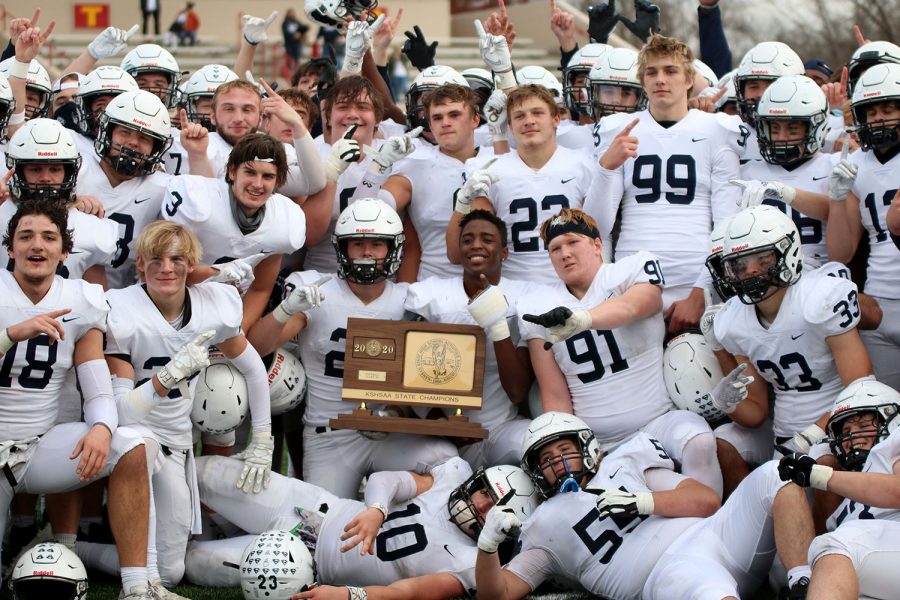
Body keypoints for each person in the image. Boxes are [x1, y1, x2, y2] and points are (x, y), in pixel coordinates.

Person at [75, 221, 274, 589]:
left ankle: (84, 551)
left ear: (191, 265)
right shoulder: (119, 310)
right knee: (148, 567)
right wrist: (164, 380)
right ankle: (72, 550)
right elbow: (119, 411)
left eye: (176, 259)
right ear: (140, 265)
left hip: (177, 443)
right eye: (156, 259)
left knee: (169, 573)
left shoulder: (215, 306)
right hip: (132, 442)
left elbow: (252, 369)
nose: (166, 268)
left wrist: (262, 439)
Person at [246, 199, 457, 498]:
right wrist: (285, 310)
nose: (367, 252)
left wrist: (395, 413)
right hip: (330, 435)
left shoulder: (409, 300)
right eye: (357, 243)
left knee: (451, 463)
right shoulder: (316, 290)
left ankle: (390, 513)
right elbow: (258, 346)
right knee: (319, 523)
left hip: (389, 433)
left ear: (392, 250)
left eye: (376, 244)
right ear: (342, 249)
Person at [0, 199, 153, 599]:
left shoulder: (82, 298)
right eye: (26, 236)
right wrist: (11, 335)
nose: (38, 245)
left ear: (64, 251)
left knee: (130, 445)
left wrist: (102, 428)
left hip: (36, 448)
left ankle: (137, 587)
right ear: (10, 247)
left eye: (49, 237)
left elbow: (97, 383)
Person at [517, 208, 724, 494]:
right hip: (597, 440)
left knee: (699, 440)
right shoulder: (537, 305)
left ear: (597, 244)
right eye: (555, 248)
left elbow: (639, 304)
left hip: (659, 420)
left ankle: (710, 527)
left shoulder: (631, 269)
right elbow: (554, 394)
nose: (564, 253)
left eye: (573, 242)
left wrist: (584, 319)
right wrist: (574, 448)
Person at [185, 456, 537, 600]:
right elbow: (390, 480)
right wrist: (377, 510)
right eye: (483, 493)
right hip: (315, 508)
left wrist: (348, 595)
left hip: (302, 564)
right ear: (474, 482)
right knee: (205, 472)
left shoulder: (468, 562)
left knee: (190, 562)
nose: (480, 506)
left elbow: (408, 592)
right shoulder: (451, 478)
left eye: (494, 508)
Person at [710, 206, 873, 497]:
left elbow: (862, 389)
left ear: (788, 253)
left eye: (762, 260)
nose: (751, 273)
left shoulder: (821, 298)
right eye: (740, 265)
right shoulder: (731, 322)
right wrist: (725, 402)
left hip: (839, 427)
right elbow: (756, 412)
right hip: (783, 436)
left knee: (823, 464)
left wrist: (816, 432)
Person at [587, 33, 744, 333]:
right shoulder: (618, 129)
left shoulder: (718, 130)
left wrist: (701, 292)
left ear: (688, 80)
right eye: (651, 72)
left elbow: (727, 224)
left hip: (694, 279)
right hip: (632, 281)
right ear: (642, 81)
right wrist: (607, 167)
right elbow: (597, 226)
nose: (660, 79)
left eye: (670, 71)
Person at [474, 411, 720, 600]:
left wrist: (642, 502)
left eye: (564, 449)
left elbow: (705, 499)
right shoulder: (544, 524)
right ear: (538, 472)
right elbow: (499, 595)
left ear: (585, 446)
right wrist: (487, 546)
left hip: (702, 541)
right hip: (665, 576)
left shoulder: (624, 464)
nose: (558, 461)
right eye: (547, 459)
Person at [406, 210, 532, 468]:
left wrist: (497, 325)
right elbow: (403, 367)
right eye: (467, 240)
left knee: (536, 437)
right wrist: (435, 419)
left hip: (500, 428)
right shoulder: (431, 294)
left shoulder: (523, 296)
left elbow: (518, 392)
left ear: (504, 252)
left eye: (487, 239)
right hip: (446, 436)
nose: (476, 245)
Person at [447, 85, 596, 283]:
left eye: (537, 113)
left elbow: (600, 236)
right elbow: (456, 255)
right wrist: (463, 205)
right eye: (519, 116)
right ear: (509, 126)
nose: (529, 121)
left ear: (556, 119)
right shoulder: (491, 169)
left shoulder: (583, 163)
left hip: (573, 285)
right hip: (513, 287)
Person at [162, 132, 308, 331]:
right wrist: (215, 273)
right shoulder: (198, 202)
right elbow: (159, 272)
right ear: (231, 172)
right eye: (249, 172)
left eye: (268, 176)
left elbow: (260, 289)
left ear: (278, 180)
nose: (257, 184)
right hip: (169, 308)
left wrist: (237, 331)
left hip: (228, 314)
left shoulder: (284, 219)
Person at [778, 378, 900, 600]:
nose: (853, 437)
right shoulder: (846, 501)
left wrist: (819, 475)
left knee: (835, 544)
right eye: (846, 431)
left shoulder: (892, 446)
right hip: (880, 568)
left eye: (863, 427)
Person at [825, 62, 900, 392]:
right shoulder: (855, 164)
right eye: (872, 111)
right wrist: (838, 198)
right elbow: (841, 252)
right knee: (885, 408)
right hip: (877, 306)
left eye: (889, 109)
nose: (880, 119)